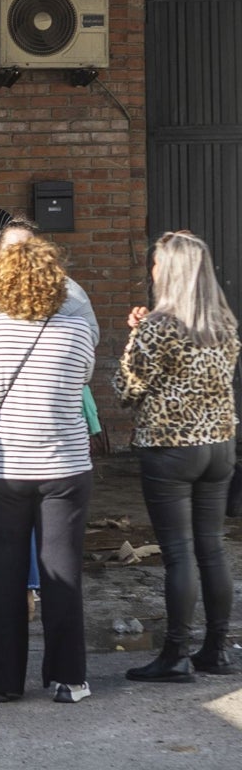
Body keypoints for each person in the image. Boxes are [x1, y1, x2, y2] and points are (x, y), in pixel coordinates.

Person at [0, 237, 96, 705]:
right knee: (63, 572)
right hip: (65, 467)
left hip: (2, 468)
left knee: (3, 575)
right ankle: (69, 678)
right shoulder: (77, 330)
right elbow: (80, 382)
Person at [114, 230, 240, 680]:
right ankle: (218, 649)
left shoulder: (158, 327)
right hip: (220, 447)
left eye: (155, 264)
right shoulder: (224, 323)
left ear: (169, 271)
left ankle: (176, 654)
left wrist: (134, 337)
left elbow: (127, 389)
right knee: (212, 549)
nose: (151, 271)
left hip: (171, 450)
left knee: (179, 554)